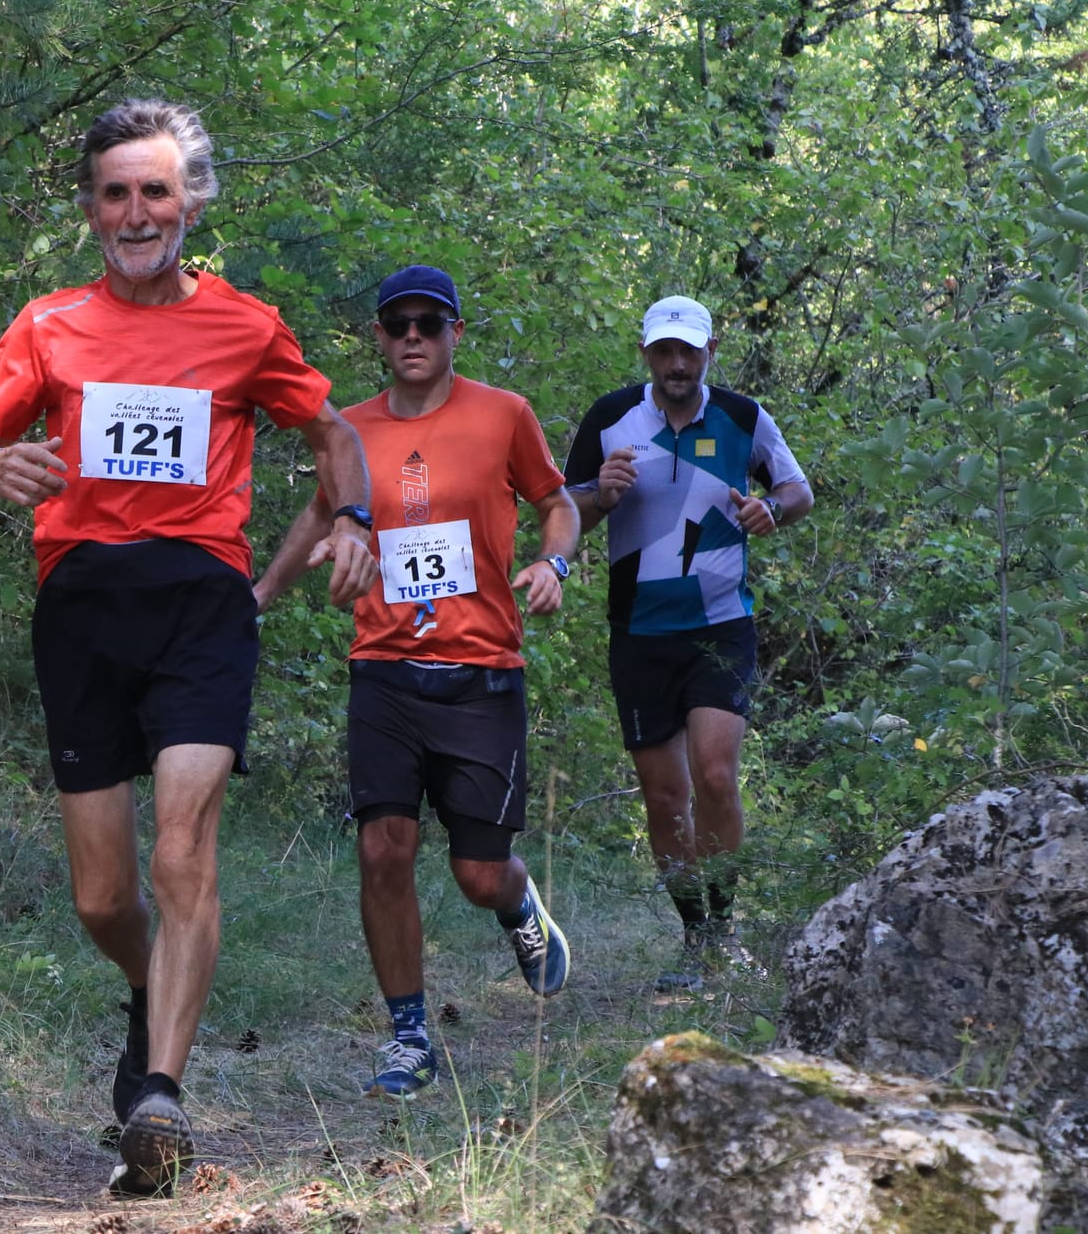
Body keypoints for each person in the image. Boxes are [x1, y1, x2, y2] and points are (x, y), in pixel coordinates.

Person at [0, 99, 376, 1194]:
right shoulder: (48, 325)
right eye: (115, 193)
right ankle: (152, 989)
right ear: (91, 209)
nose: (136, 212)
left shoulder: (245, 326)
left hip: (200, 601)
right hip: (81, 603)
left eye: (155, 190)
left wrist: (356, 521)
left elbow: (331, 432)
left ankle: (161, 1096)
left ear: (189, 203)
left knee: (181, 850)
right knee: (102, 896)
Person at [255, 265, 577, 1100]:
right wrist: (257, 596)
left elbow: (559, 503)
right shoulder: (352, 430)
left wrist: (555, 563)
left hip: (481, 673)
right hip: (385, 670)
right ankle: (408, 1036)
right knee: (382, 847)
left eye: (428, 323)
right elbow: (320, 512)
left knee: (478, 873)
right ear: (378, 336)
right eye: (396, 324)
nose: (411, 337)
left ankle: (518, 902)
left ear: (454, 333)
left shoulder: (503, 414)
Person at [564, 295, 812, 991]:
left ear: (709, 352)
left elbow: (798, 490)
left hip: (720, 624)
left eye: (689, 351)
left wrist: (771, 509)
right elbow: (562, 511)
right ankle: (695, 935)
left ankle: (724, 932)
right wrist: (600, 496)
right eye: (664, 351)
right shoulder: (610, 417)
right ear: (646, 353)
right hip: (639, 631)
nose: (677, 364)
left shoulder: (743, 416)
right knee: (665, 796)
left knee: (715, 775)